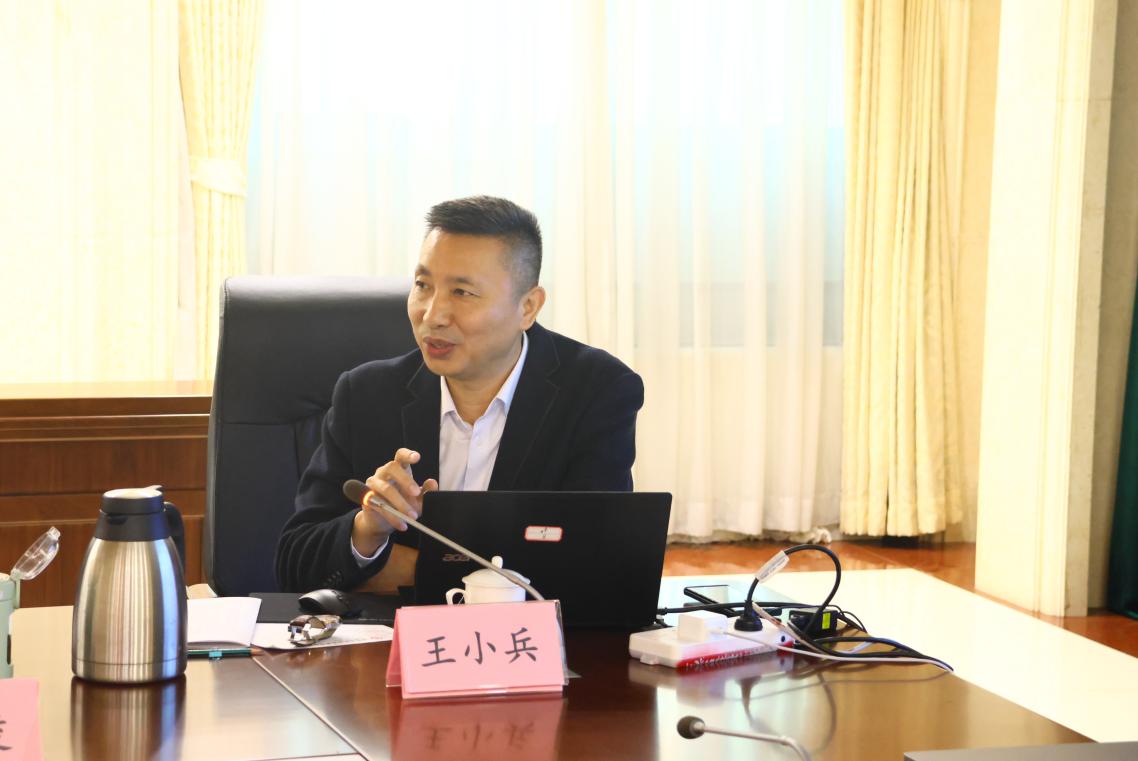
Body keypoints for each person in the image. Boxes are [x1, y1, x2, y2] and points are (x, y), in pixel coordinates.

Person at [275, 196, 644, 593]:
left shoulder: (596, 392)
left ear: (527, 307)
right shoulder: (366, 395)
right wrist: (368, 529)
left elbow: (594, 566)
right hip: (389, 634)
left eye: (462, 292)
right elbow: (295, 564)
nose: (432, 315)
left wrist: (412, 569)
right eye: (423, 286)